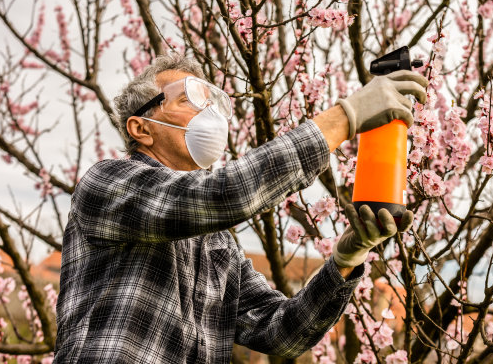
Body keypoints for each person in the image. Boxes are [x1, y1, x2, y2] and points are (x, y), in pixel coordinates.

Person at [54, 54, 428, 363]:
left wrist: (346, 260)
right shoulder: (108, 183)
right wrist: (345, 117)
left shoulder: (217, 243)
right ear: (141, 128)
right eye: (189, 100)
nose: (209, 115)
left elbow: (281, 332)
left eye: (211, 102)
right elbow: (222, 195)